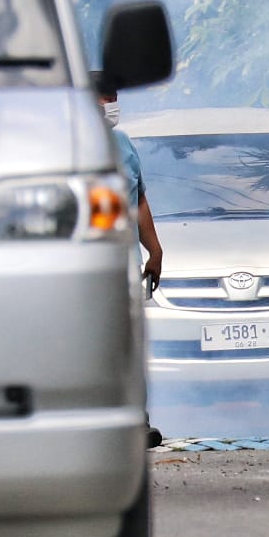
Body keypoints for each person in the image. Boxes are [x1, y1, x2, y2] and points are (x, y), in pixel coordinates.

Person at [98, 75, 164, 448]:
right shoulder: (72, 146)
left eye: (114, 99)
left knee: (129, 341)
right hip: (91, 265)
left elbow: (138, 198)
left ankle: (137, 420)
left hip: (126, 263)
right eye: (105, 99)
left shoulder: (123, 143)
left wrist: (154, 250)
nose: (111, 106)